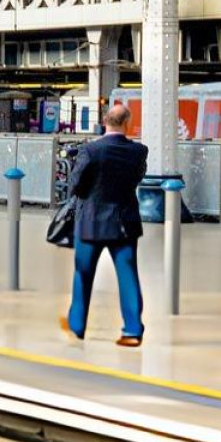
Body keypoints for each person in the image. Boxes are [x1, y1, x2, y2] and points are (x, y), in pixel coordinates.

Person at [62, 102, 147, 347]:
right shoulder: (139, 151)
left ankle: (77, 327)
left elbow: (76, 185)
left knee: (83, 275)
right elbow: (137, 178)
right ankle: (132, 330)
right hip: (124, 222)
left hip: (90, 222)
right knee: (128, 275)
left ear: (104, 122)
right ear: (127, 123)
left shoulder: (90, 150)